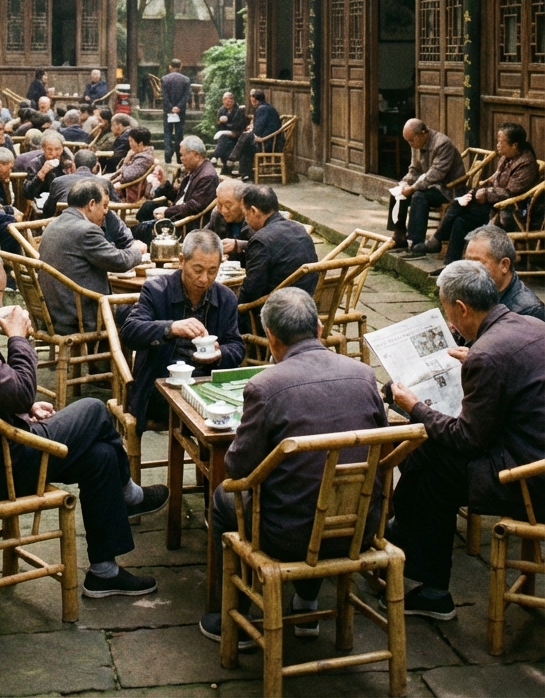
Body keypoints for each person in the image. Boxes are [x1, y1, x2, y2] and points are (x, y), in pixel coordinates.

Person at [0, 248, 168, 598]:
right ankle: (129, 493)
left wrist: (22, 410)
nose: (2, 300)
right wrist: (18, 338)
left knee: (101, 456)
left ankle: (104, 572)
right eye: (0, 291)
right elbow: (20, 391)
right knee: (94, 409)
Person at [199, 287, 388, 645]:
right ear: (318, 329)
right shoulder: (364, 375)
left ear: (271, 337)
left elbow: (238, 467)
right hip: (360, 528)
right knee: (319, 485)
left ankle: (233, 618)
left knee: (225, 497)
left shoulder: (265, 386)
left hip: (288, 537)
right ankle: (306, 601)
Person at [387, 259, 545, 621]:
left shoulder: (489, 354)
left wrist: (415, 407)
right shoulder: (532, 325)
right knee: (428, 457)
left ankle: (429, 580)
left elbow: (468, 440)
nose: (449, 320)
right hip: (534, 450)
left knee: (431, 459)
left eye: (446, 309)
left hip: (529, 479)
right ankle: (410, 540)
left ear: (461, 307)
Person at [122, 230, 245, 434]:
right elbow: (130, 331)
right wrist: (170, 328)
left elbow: (237, 346)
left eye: (212, 271)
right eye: (198, 269)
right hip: (161, 386)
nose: (204, 279)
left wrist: (220, 353)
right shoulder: (156, 290)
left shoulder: (226, 298)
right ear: (182, 261)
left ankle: (209, 453)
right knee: (205, 415)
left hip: (206, 384)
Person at [38, 178, 146, 333]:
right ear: (91, 204)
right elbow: (120, 262)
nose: (106, 212)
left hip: (56, 315)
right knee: (146, 308)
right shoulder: (87, 230)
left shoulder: (53, 224)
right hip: (81, 318)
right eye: (104, 206)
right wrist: (137, 249)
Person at [427, 123, 540, 263]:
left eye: (500, 142)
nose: (497, 145)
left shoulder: (526, 164)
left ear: (514, 145)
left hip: (509, 210)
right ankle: (451, 264)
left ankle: (437, 239)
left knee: (459, 206)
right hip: (493, 203)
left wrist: (486, 193)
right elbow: (496, 181)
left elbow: (511, 193)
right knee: (460, 220)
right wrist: (479, 191)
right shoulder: (506, 157)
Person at [237, 185, 317, 328]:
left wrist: (233, 306)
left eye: (245, 214)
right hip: (306, 305)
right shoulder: (298, 228)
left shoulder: (261, 239)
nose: (246, 220)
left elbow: (251, 291)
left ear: (254, 211)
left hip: (278, 314)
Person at [390, 118, 465, 254]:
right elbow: (414, 169)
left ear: (423, 133)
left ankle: (416, 243)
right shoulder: (416, 144)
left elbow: (435, 174)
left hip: (447, 188)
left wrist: (413, 188)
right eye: (408, 141)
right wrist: (404, 183)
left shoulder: (442, 144)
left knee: (419, 196)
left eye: (412, 140)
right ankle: (399, 235)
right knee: (397, 191)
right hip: (429, 184)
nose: (410, 144)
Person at [133, 137, 219, 244]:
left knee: (137, 231)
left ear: (196, 155)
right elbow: (181, 196)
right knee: (147, 208)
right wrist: (164, 183)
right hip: (179, 214)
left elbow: (194, 206)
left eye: (183, 155)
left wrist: (167, 212)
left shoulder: (207, 176)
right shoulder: (196, 170)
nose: (181, 159)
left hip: (186, 224)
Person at [41, 151, 132, 250]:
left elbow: (48, 211)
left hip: (61, 236)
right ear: (95, 167)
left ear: (73, 165)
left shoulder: (58, 181)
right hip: (100, 237)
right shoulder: (104, 183)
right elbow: (116, 206)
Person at [463, 226, 545, 321]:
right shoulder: (477, 291)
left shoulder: (530, 312)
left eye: (478, 263)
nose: (469, 269)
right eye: (467, 261)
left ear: (504, 265)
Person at [229, 89, 282, 181]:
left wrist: (251, 130)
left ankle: (232, 158)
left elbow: (257, 130)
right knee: (246, 144)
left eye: (252, 101)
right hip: (269, 140)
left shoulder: (262, 109)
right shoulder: (267, 107)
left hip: (268, 143)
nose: (252, 103)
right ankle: (245, 174)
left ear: (255, 100)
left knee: (245, 136)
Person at [22, 129, 73, 202]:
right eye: (49, 150)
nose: (54, 153)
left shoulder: (67, 164)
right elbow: (28, 193)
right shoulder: (34, 164)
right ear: (43, 149)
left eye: (57, 149)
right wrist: (41, 173)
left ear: (62, 149)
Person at [205, 178, 252, 256]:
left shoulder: (254, 217)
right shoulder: (217, 213)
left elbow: (265, 246)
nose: (223, 210)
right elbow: (206, 234)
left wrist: (239, 245)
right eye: (219, 204)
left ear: (242, 202)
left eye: (228, 206)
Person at [113, 126, 155, 202]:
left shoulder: (144, 159)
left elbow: (126, 176)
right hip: (121, 184)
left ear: (140, 144)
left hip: (126, 191)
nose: (130, 144)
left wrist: (126, 160)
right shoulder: (140, 154)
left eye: (131, 141)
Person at [161, 58, 191, 164]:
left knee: (167, 133)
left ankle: (168, 155)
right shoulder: (186, 80)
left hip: (168, 111)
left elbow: (164, 96)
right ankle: (179, 157)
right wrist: (178, 107)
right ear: (180, 67)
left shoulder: (164, 79)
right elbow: (187, 96)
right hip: (180, 111)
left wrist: (171, 107)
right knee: (179, 134)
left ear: (170, 67)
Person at [212, 91, 248, 171]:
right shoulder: (221, 110)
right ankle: (227, 164)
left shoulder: (238, 110)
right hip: (225, 134)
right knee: (225, 139)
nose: (226, 103)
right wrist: (220, 121)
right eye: (224, 100)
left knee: (224, 138)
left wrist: (226, 124)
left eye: (228, 101)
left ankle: (215, 156)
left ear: (233, 101)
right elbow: (217, 126)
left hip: (237, 133)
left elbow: (238, 125)